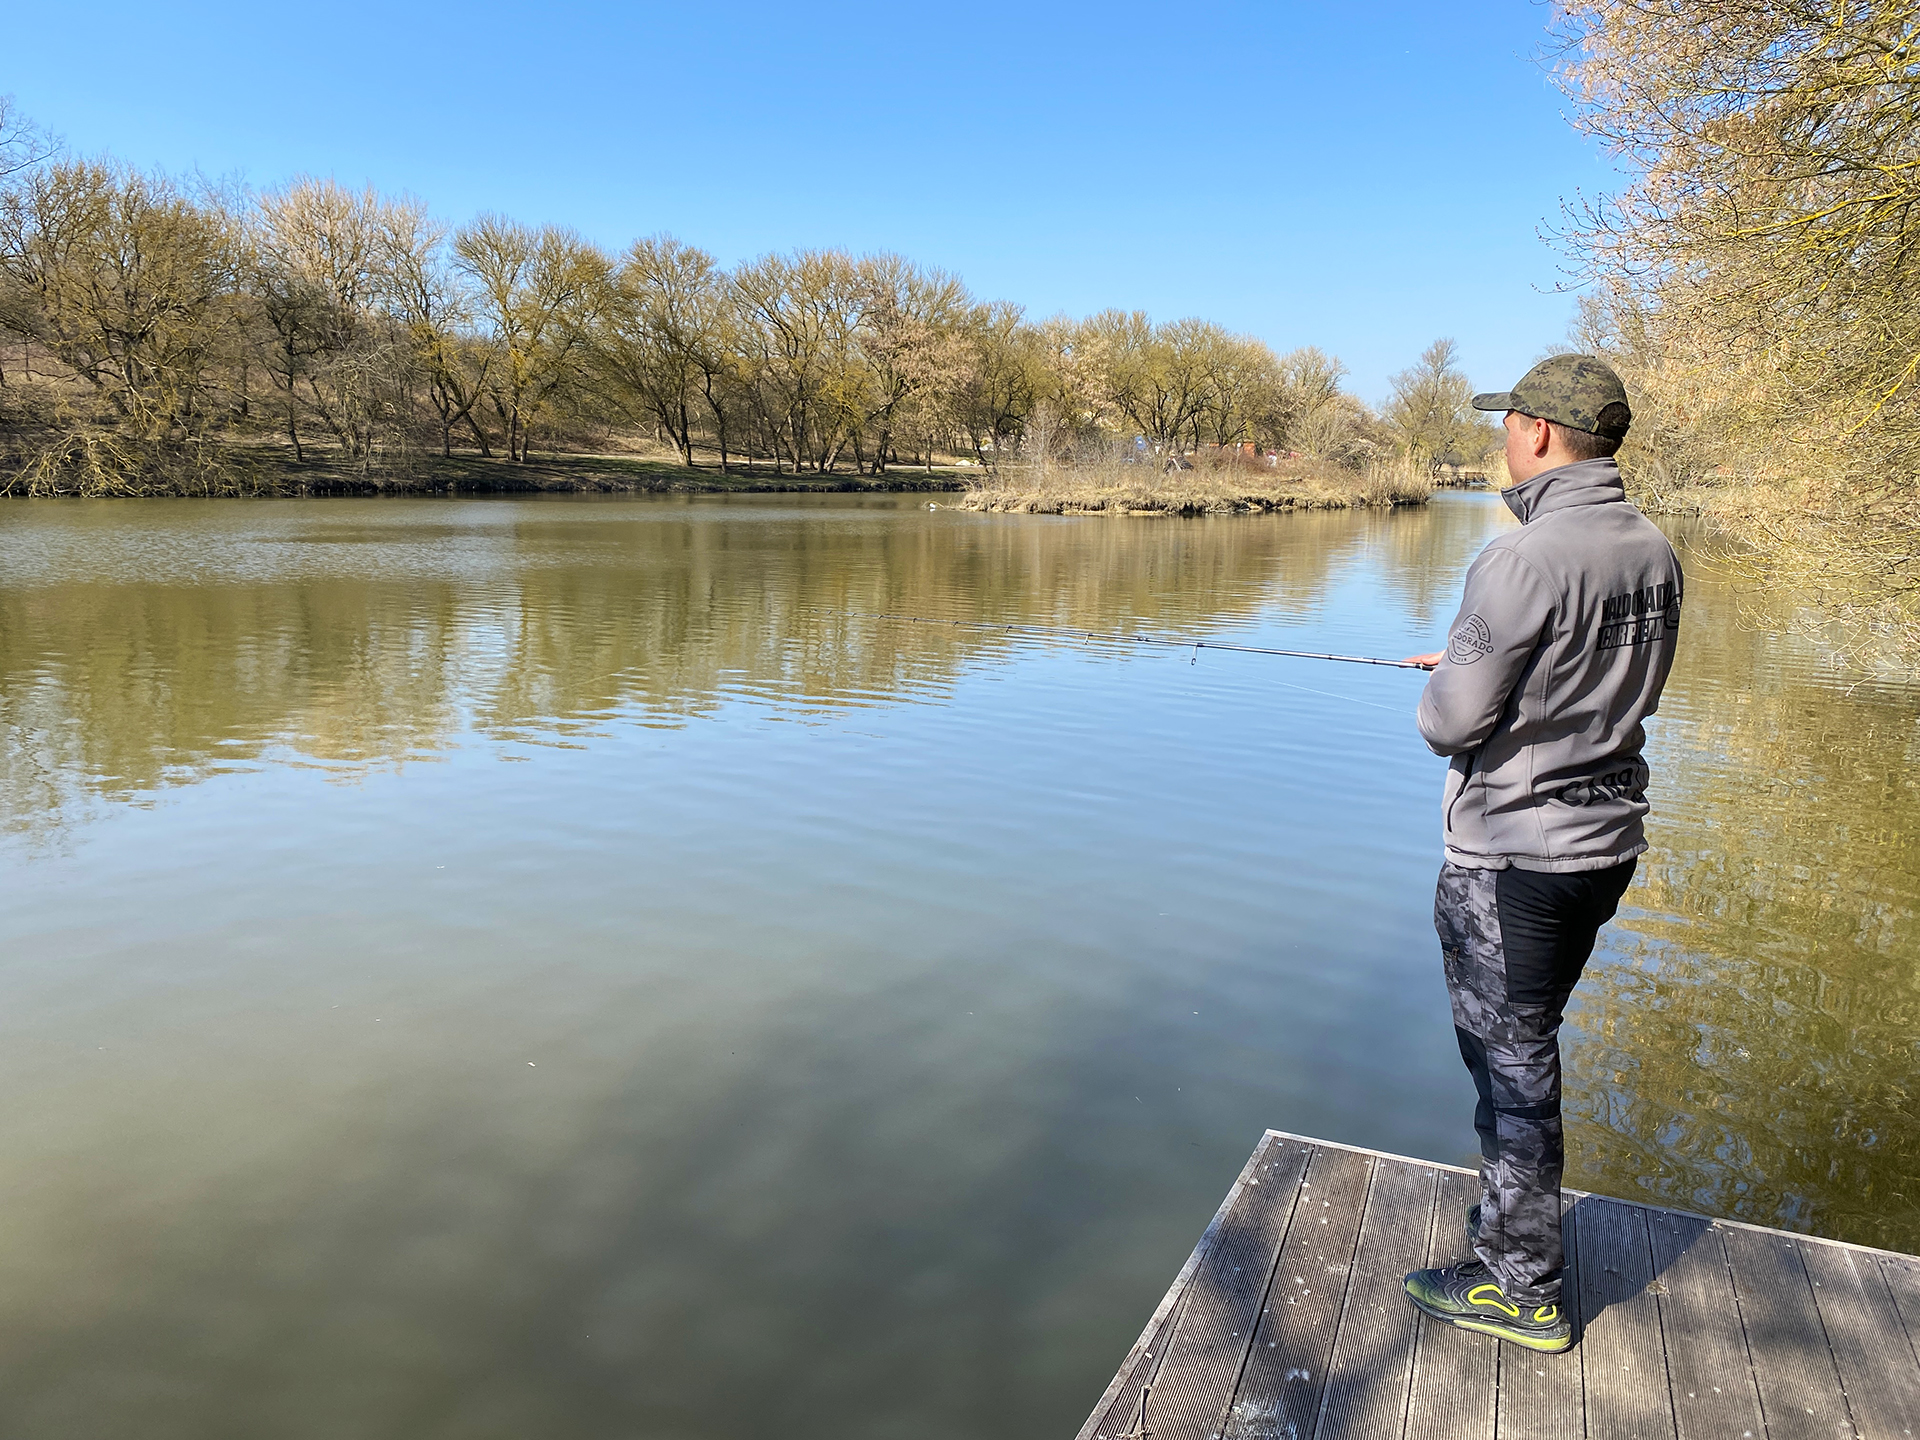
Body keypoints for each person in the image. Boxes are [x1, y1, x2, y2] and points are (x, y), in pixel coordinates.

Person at [1396, 354, 1684, 1354]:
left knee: (1509, 1068)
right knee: (1530, 1040)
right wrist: (1487, 664)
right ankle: (1510, 1250)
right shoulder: (1650, 546)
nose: (1503, 440)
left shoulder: (1520, 557)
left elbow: (1449, 721)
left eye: (1507, 423)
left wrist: (1455, 678)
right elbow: (1588, 670)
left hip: (1513, 855)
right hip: (1604, 846)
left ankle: (1521, 1283)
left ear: (1540, 434)